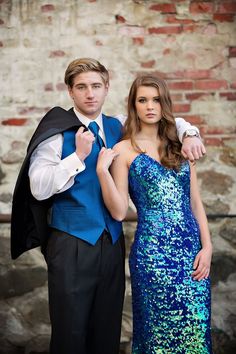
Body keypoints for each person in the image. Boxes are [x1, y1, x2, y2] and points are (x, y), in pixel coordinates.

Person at [10, 59, 206, 354]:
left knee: (107, 332)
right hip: (71, 241)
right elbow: (38, 187)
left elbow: (162, 118)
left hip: (112, 242)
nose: (90, 94)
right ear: (70, 92)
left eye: (96, 86)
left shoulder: (117, 126)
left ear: (106, 89)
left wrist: (190, 133)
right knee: (70, 333)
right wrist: (77, 157)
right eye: (82, 87)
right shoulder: (55, 130)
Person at [96, 75, 212, 353]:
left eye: (156, 100)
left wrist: (207, 246)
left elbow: (195, 203)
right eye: (142, 100)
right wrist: (102, 172)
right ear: (133, 105)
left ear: (165, 104)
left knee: (195, 334)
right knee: (156, 337)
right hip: (152, 258)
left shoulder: (180, 146)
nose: (150, 106)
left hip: (192, 254)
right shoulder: (123, 150)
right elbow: (119, 211)